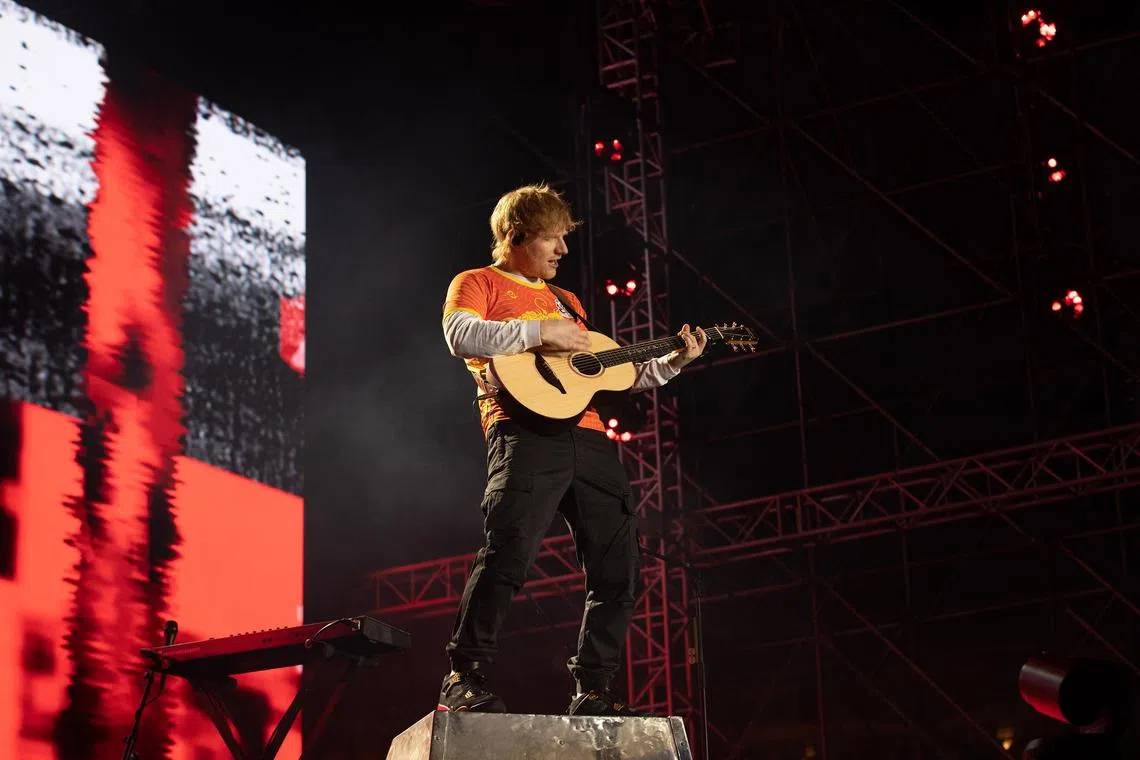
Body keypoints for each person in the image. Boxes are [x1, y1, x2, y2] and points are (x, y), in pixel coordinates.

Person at [438, 183, 706, 717]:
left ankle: (594, 690)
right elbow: (459, 334)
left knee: (619, 568)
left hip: (588, 438)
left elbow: (603, 373)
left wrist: (673, 360)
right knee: (508, 554)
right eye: (553, 239)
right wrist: (540, 332)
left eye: (564, 239)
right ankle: (463, 677)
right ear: (517, 236)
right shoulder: (478, 282)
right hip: (522, 432)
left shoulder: (570, 303)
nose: (563, 250)